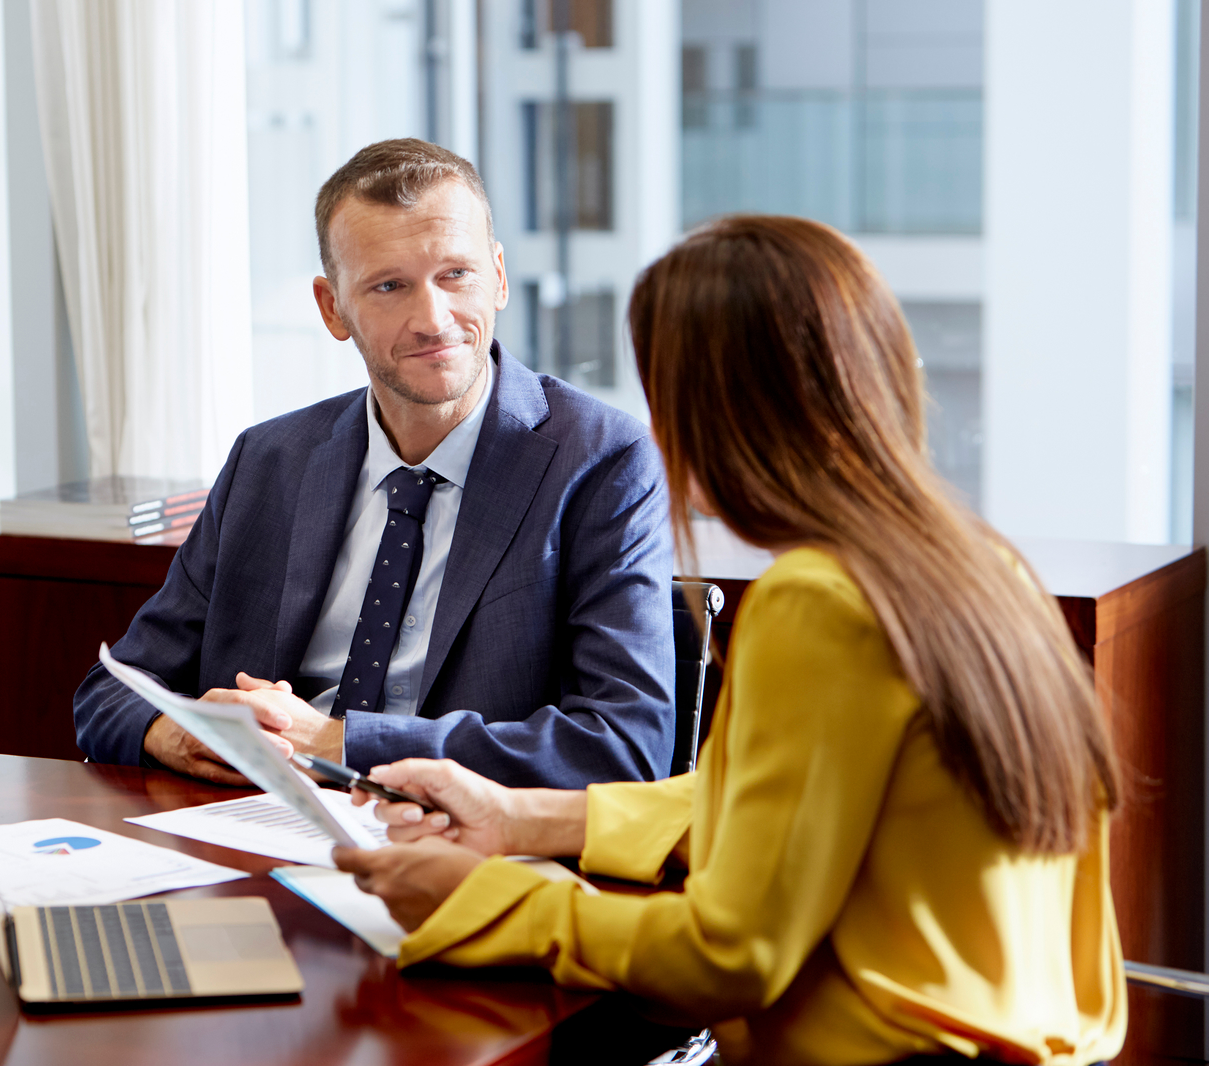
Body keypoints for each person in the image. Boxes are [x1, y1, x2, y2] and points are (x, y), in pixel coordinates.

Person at [334, 215, 1126, 1066]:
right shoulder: (974, 561)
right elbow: (768, 801)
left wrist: (488, 901)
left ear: (721, 411)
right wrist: (520, 815)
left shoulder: (817, 600)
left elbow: (731, 952)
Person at [73, 138, 676, 788]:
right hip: (259, 824)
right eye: (389, 286)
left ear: (499, 276)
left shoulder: (603, 460)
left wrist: (339, 741)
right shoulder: (268, 461)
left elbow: (624, 745)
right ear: (332, 307)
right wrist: (178, 732)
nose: (433, 319)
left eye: (456, 275)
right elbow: (112, 692)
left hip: (462, 852)